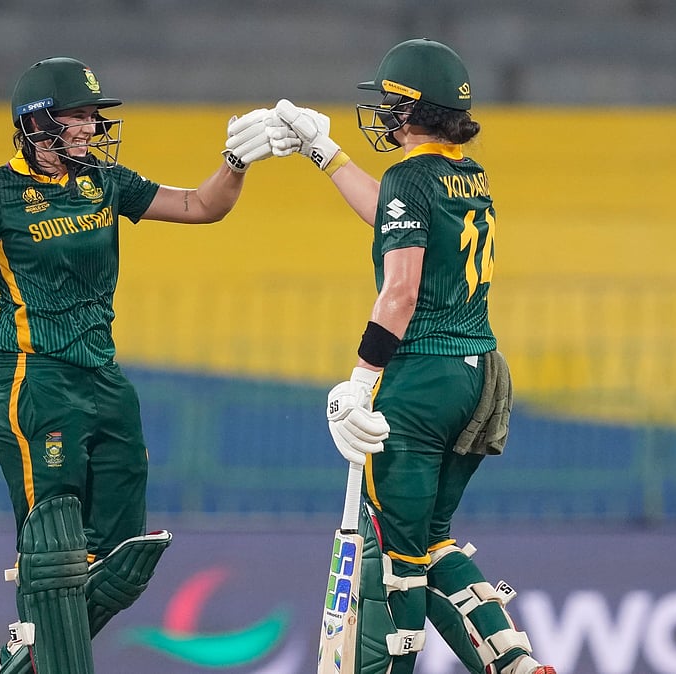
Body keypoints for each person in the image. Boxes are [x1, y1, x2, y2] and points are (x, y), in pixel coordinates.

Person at [0, 56, 285, 674]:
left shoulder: (105, 181)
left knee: (123, 559)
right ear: (38, 124)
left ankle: (18, 658)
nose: (93, 128)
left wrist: (236, 163)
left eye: (95, 118)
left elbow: (202, 206)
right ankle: (35, 654)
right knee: (54, 551)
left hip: (105, 380)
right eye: (80, 117)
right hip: (34, 378)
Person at [236, 39, 557, 674]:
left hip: (423, 378)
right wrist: (324, 155)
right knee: (431, 537)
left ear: (412, 108)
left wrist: (362, 376)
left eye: (390, 101)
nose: (382, 111)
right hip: (482, 371)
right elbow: (392, 214)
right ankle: (514, 663)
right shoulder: (465, 172)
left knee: (395, 553)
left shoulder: (412, 177)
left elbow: (402, 288)